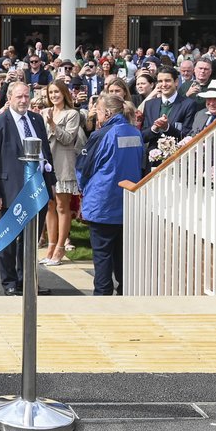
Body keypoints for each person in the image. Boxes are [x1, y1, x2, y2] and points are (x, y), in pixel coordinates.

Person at [0, 82, 56, 296]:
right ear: (9, 98)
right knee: (9, 241)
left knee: (31, 239)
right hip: (10, 192)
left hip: (37, 191)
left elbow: (46, 153)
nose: (24, 100)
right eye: (19, 97)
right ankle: (10, 282)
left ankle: (27, 282)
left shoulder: (36, 119)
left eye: (27, 96)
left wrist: (51, 181)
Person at [76, 93, 145, 296]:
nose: (95, 114)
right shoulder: (134, 132)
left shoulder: (102, 134)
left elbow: (83, 168)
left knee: (102, 254)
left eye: (97, 110)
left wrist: (83, 190)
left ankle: (102, 295)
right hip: (127, 201)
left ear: (106, 112)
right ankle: (125, 291)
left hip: (103, 203)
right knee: (122, 253)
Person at [41, 81, 84, 266]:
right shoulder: (44, 112)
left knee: (61, 206)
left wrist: (52, 123)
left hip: (64, 164)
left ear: (64, 93)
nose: (54, 95)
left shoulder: (72, 114)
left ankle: (60, 248)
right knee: (49, 205)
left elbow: (68, 139)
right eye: (51, 92)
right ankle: (50, 247)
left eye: (57, 91)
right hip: (47, 164)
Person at [141, 66, 197, 156]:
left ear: (176, 82)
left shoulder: (188, 104)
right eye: (160, 81)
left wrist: (167, 128)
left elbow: (186, 136)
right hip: (153, 160)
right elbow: (143, 136)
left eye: (167, 80)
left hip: (176, 158)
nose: (164, 84)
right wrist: (154, 128)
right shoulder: (149, 104)